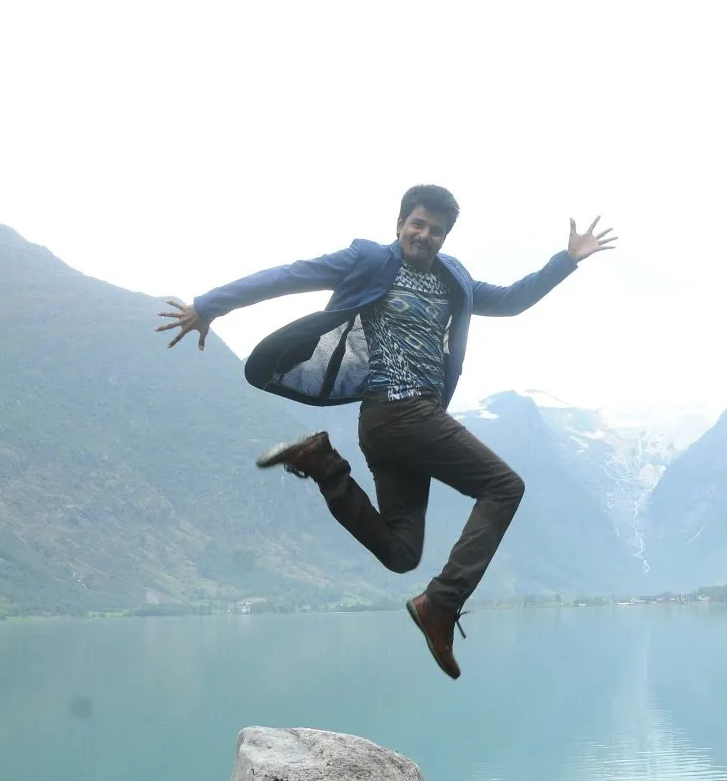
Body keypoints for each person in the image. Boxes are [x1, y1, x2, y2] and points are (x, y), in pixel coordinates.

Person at [156, 185, 616, 679]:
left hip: (397, 425)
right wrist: (210, 305)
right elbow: (290, 276)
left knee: (402, 553)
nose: (425, 235)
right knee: (505, 486)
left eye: (436, 230)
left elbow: (509, 301)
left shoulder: (453, 278)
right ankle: (440, 604)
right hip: (398, 413)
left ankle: (324, 466)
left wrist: (566, 261)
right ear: (400, 224)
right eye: (417, 224)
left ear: (444, 238)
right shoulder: (369, 260)